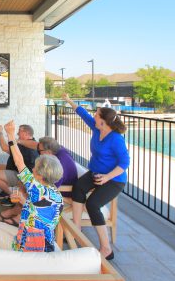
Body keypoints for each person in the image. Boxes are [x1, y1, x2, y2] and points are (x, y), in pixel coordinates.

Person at [62, 93, 129, 260]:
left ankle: (106, 249)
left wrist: (107, 178)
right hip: (95, 173)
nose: (94, 115)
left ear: (103, 121)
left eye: (97, 114)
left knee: (92, 204)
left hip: (114, 180)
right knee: (78, 188)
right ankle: (76, 230)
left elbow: (124, 162)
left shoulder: (116, 139)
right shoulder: (96, 127)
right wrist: (69, 100)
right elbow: (82, 113)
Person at [0, 120, 64, 252]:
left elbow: (19, 161)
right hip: (46, 245)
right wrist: (23, 201)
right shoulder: (57, 195)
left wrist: (10, 135)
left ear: (39, 175)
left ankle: (9, 260)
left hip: (26, 246)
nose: (32, 169)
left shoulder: (35, 189)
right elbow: (38, 211)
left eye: (35, 168)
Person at [0, 136, 78, 225]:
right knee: (22, 186)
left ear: (48, 152)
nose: (37, 152)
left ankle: (17, 215)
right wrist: (18, 140)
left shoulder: (57, 167)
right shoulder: (57, 150)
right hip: (54, 193)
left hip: (63, 191)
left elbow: (20, 164)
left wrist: (23, 199)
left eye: (39, 151)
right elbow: (36, 146)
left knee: (25, 190)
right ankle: (14, 212)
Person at [0, 124, 38, 208]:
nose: (17, 133)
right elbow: (11, 149)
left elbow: (5, 148)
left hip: (23, 176)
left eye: (19, 131)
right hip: (17, 169)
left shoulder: (27, 146)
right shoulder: (29, 142)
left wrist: (0, 132)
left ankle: (14, 196)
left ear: (26, 133)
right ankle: (7, 191)